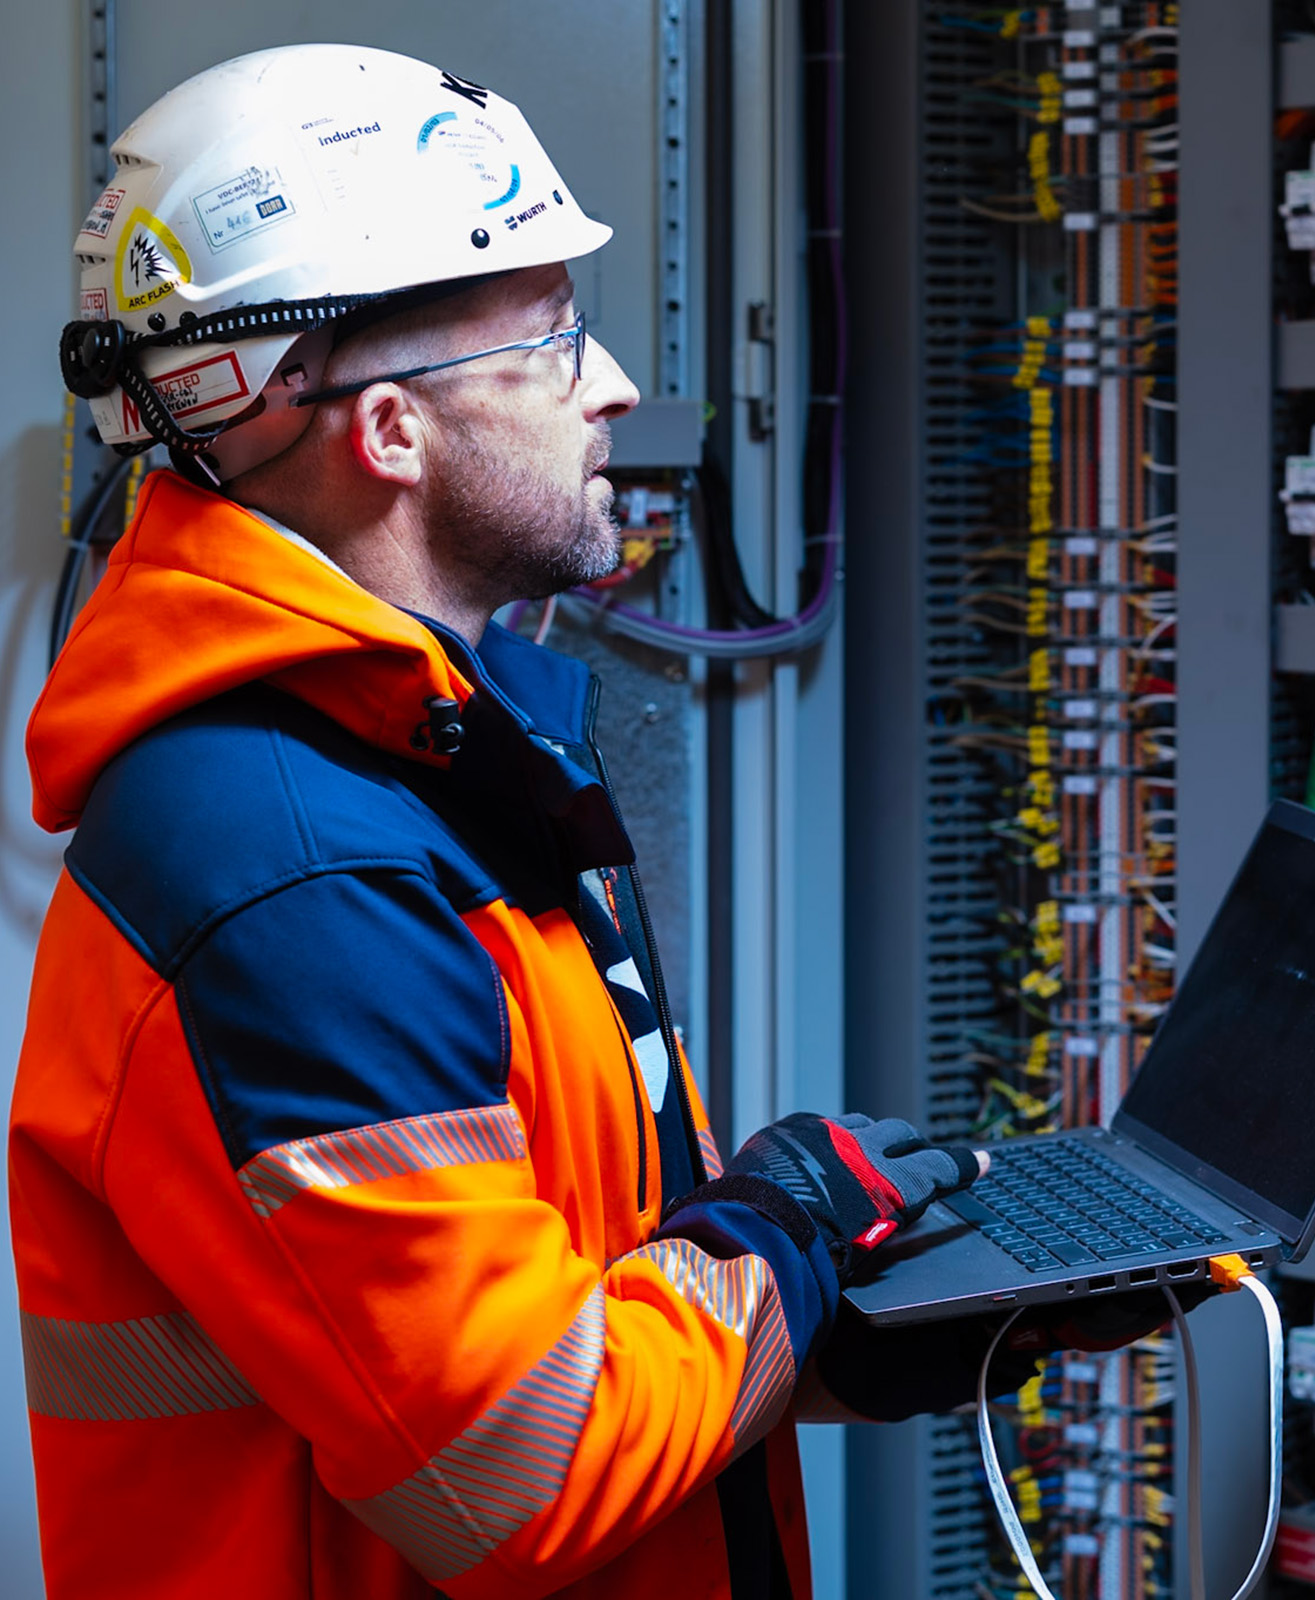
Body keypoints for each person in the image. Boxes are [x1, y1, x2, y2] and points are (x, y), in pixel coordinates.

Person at [12, 41, 1002, 1600]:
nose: (608, 388)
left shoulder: (437, 759)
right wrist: (786, 1238)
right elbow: (517, 1476)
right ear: (391, 431)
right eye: (553, 338)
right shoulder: (293, 861)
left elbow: (546, 1311)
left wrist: (859, 1332)